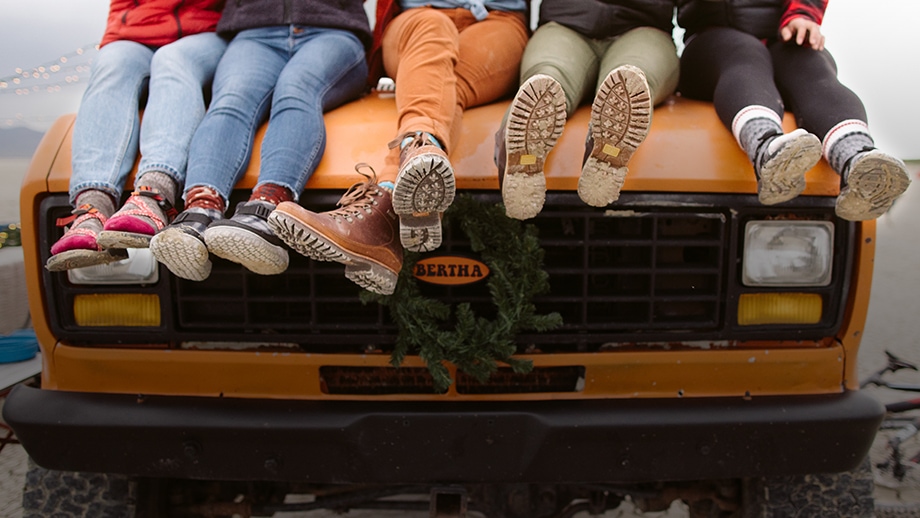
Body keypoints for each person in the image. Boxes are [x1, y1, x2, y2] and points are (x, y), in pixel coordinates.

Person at [267, 1, 530, 295]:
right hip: (412, 24)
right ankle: (421, 151)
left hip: (498, 24)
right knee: (433, 32)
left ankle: (386, 209)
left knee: (440, 87)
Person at [148, 0, 372, 281]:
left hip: (334, 30)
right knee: (231, 100)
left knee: (296, 90)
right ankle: (200, 208)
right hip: (254, 30)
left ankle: (267, 206)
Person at [676, 0, 910, 219]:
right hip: (710, 43)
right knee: (744, 57)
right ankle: (768, 150)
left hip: (782, 35)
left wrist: (803, 14)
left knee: (811, 66)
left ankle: (857, 160)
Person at [46, 0, 227, 272]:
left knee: (173, 60)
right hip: (135, 31)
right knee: (112, 63)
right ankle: (92, 208)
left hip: (206, 31)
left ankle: (154, 193)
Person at [495, 0, 680, 220]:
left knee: (554, 74)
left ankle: (520, 155)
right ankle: (603, 150)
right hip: (626, 28)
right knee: (635, 76)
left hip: (573, 25)